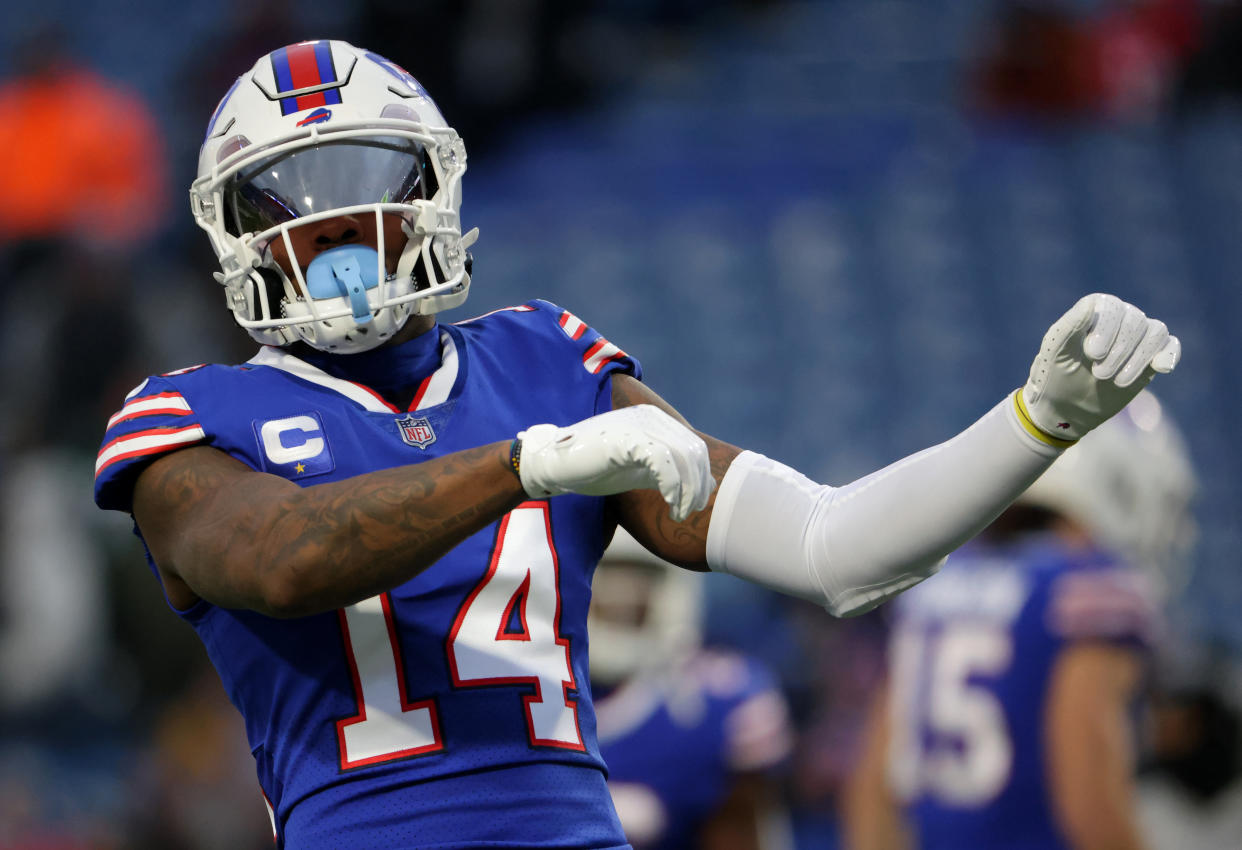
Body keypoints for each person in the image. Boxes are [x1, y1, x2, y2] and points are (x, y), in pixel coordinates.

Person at [92, 39, 1180, 850]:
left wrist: (1036, 423)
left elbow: (835, 548)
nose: (324, 231)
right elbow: (281, 560)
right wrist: (516, 467)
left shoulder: (545, 359)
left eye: (362, 186)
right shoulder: (192, 416)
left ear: (429, 190)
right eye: (284, 203)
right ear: (232, 233)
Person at [841, 390, 1197, 850]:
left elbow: (872, 791)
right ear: (1121, 488)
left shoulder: (940, 585)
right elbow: (1090, 805)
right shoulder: (1090, 588)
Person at [588, 527, 794, 850]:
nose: (623, 597)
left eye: (637, 578)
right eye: (609, 578)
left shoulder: (713, 703)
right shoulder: (521, 692)